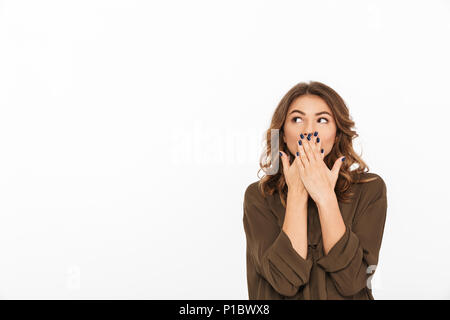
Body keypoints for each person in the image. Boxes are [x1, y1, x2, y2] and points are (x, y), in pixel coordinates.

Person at [243, 81, 387, 300]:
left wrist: (325, 197)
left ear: (337, 133)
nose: (309, 131)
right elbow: (284, 281)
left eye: (322, 120)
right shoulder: (259, 196)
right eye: (297, 119)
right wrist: (297, 194)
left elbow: (352, 282)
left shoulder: (370, 189)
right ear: (282, 133)